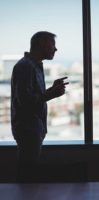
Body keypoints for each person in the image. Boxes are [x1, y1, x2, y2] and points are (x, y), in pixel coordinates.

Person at [11, 31, 68, 180]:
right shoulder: (25, 67)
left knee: (29, 172)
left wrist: (50, 90)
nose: (56, 49)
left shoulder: (33, 66)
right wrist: (52, 94)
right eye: (53, 44)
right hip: (28, 128)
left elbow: (32, 97)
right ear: (42, 44)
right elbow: (25, 101)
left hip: (32, 128)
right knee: (28, 175)